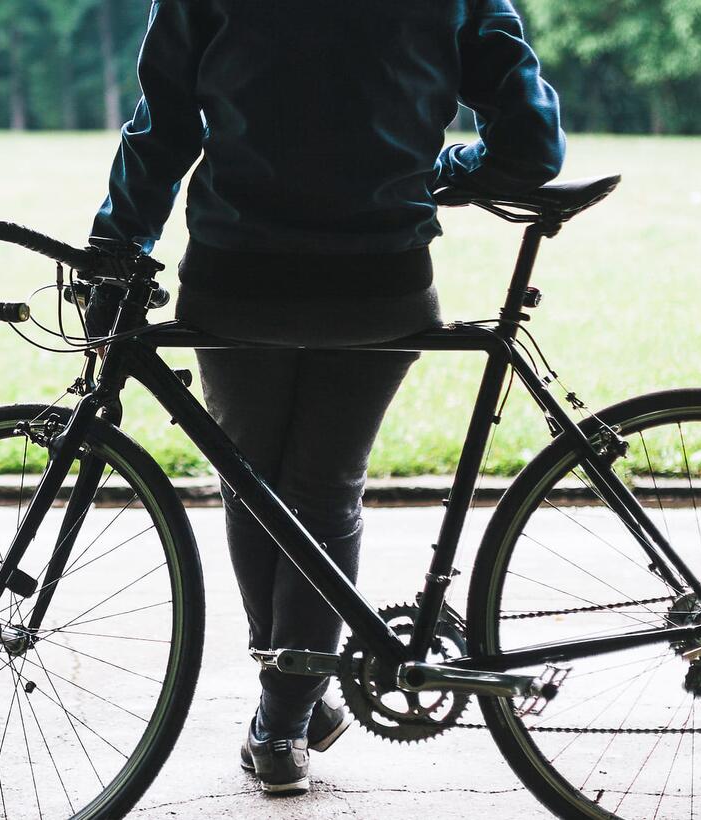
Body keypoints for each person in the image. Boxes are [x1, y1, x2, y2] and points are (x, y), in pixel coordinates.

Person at [89, 0, 565, 795]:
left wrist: (117, 245)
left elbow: (164, 124)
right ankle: (287, 716)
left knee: (253, 485)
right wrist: (441, 172)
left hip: (239, 274)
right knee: (322, 487)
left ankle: (287, 710)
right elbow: (531, 148)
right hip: (380, 279)